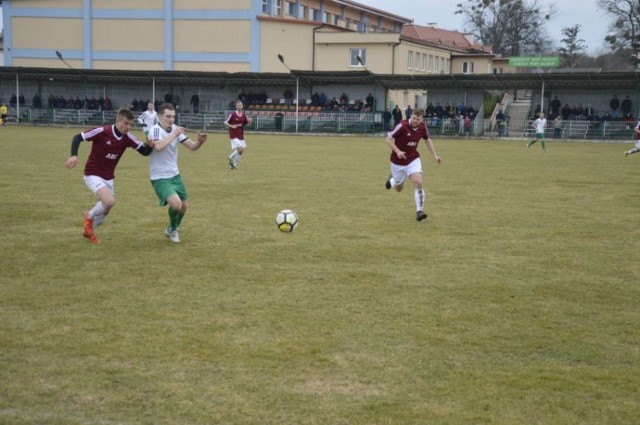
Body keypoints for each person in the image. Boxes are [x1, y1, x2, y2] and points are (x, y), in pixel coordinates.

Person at [64, 108, 155, 244]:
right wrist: (73, 155)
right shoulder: (102, 131)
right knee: (109, 201)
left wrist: (150, 146)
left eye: (131, 124)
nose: (128, 127)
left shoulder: (127, 138)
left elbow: (144, 152)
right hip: (93, 173)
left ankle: (88, 231)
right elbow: (78, 137)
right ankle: (88, 216)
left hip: (108, 177)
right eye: (126, 123)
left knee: (105, 210)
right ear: (118, 121)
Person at [148, 103, 207, 243]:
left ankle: (170, 229)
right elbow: (158, 147)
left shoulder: (175, 129)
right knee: (176, 204)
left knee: (184, 206)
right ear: (160, 116)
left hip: (175, 175)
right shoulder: (155, 130)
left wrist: (200, 142)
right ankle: (173, 229)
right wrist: (174, 133)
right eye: (168, 116)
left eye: (173, 116)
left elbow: (192, 147)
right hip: (160, 177)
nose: (171, 120)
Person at [384, 108, 442, 222]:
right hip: (397, 162)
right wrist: (398, 151)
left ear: (422, 119)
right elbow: (388, 140)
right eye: (414, 118)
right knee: (398, 188)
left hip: (413, 159)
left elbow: (427, 140)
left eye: (418, 119)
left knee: (418, 182)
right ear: (411, 116)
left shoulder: (422, 127)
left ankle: (419, 211)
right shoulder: (402, 125)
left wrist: (435, 155)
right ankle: (392, 181)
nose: (415, 120)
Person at [224, 100, 252, 170]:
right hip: (233, 134)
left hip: (240, 135)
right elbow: (225, 122)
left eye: (241, 105)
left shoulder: (244, 115)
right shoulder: (232, 114)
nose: (240, 106)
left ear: (242, 106)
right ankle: (230, 157)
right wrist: (232, 126)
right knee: (240, 149)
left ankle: (233, 165)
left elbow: (248, 124)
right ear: (236, 106)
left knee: (241, 151)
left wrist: (250, 121)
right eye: (238, 105)